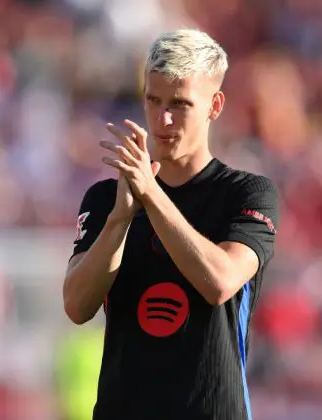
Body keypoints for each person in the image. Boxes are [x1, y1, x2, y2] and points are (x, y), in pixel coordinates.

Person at [63, 28, 279, 420]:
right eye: (152, 100)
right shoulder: (107, 200)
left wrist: (152, 195)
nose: (162, 120)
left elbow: (219, 283)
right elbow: (77, 306)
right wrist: (119, 219)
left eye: (179, 104)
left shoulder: (247, 195)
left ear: (214, 105)